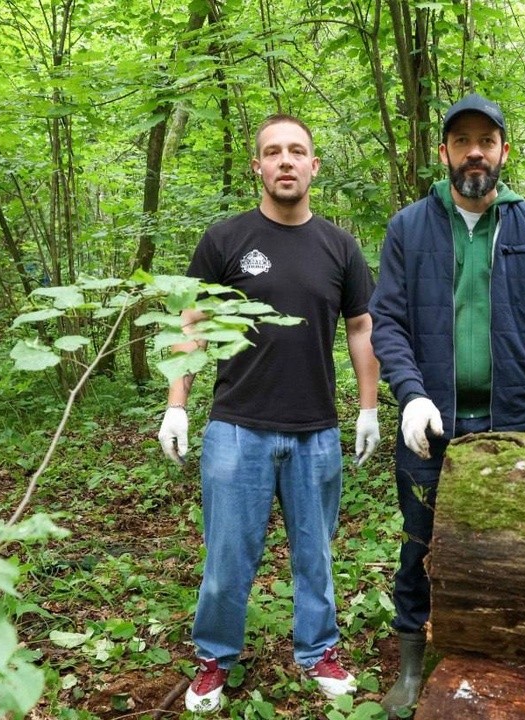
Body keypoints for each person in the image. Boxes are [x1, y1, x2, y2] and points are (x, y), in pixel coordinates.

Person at [156, 114, 380, 713]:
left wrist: (368, 408)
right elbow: (192, 325)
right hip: (236, 429)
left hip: (316, 432)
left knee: (316, 555)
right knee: (228, 559)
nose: (286, 161)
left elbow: (361, 328)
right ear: (257, 165)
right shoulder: (225, 241)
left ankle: (318, 652)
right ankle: (214, 659)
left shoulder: (339, 246)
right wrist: (177, 405)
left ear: (313, 166)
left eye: (297, 151)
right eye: (273, 152)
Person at [369, 93, 525, 715]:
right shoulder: (410, 227)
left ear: (504, 151)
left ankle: (496, 660)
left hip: (511, 423)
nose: (475, 152)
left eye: (487, 140)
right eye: (462, 142)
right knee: (420, 542)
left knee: (511, 545)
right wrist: (409, 395)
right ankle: (412, 664)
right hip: (430, 430)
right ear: (445, 154)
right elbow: (388, 324)